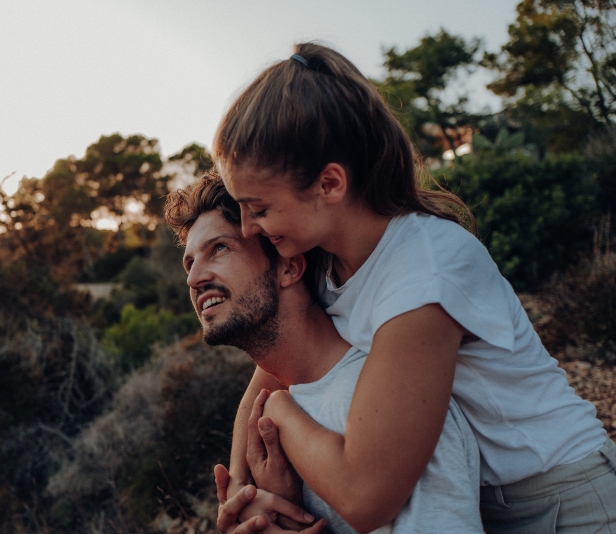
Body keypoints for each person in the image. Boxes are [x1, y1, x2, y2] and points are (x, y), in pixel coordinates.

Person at [211, 42, 616, 533]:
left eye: (259, 208)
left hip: (564, 502)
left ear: (330, 184)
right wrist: (242, 495)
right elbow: (269, 377)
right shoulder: (321, 263)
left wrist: (282, 410)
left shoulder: (424, 268)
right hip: (476, 505)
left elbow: (367, 495)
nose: (250, 229)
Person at [165, 174, 484, 533]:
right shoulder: (271, 427)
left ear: (289, 266)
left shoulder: (392, 405)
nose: (194, 279)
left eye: (218, 248)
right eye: (189, 264)